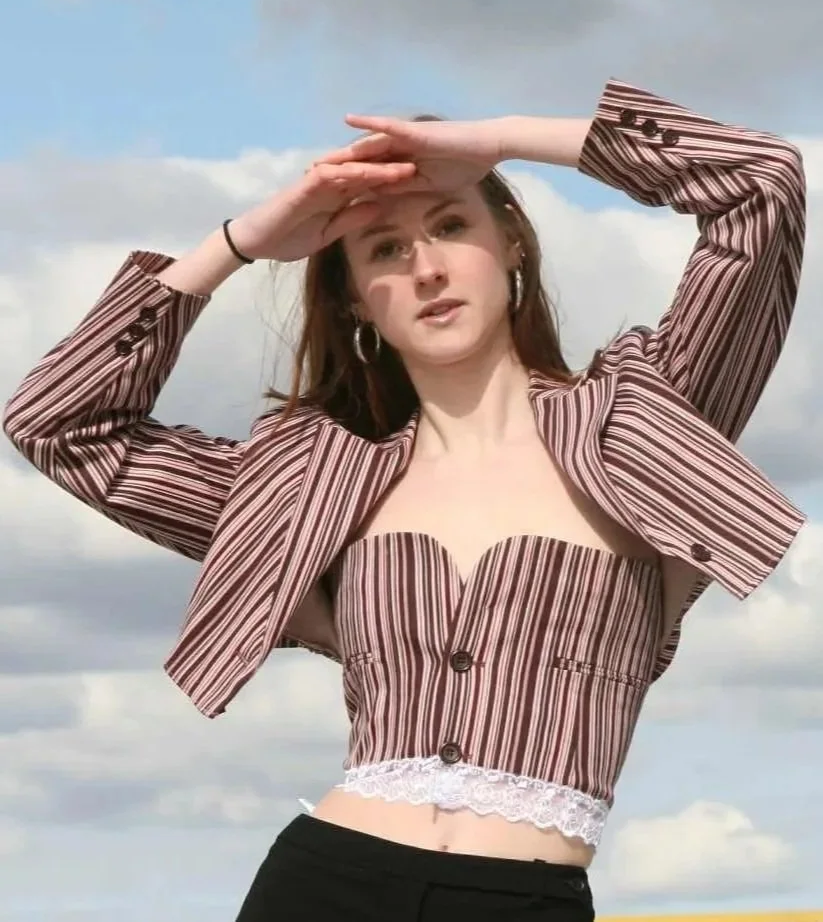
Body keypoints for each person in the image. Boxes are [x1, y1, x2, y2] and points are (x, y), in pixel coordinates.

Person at [3, 78, 807, 921]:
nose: (425, 269)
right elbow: (59, 424)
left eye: (450, 227)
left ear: (512, 244)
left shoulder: (643, 422)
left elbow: (759, 183)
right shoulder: (308, 483)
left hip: (524, 897)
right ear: (356, 299)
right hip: (324, 884)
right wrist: (239, 244)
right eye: (384, 250)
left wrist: (499, 139)